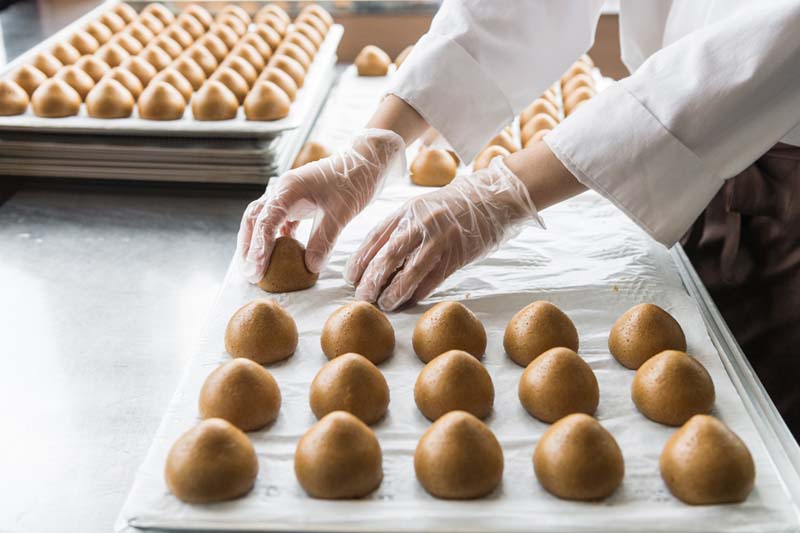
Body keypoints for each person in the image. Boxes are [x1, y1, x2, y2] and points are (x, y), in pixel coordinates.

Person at [238, 2, 800, 434]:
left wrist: (510, 188)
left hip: (784, 210)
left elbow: (772, 46)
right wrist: (381, 140)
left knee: (760, 432)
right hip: (683, 191)